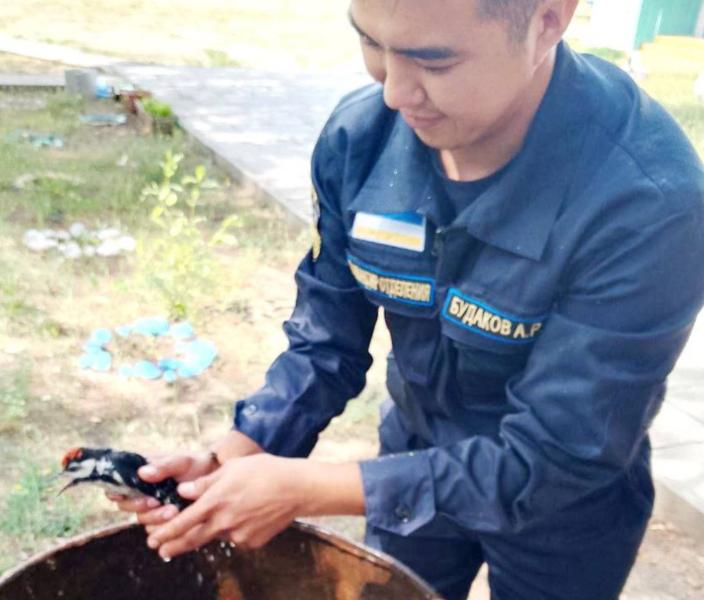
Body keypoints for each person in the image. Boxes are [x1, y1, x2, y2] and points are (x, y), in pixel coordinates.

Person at [110, 1, 704, 598]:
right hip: (413, 457)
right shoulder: (359, 142)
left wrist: (307, 488)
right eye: (372, 44)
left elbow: (558, 453)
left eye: (433, 61)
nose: (393, 93)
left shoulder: (648, 203)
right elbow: (326, 340)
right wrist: (236, 456)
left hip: (563, 504)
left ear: (548, 19)